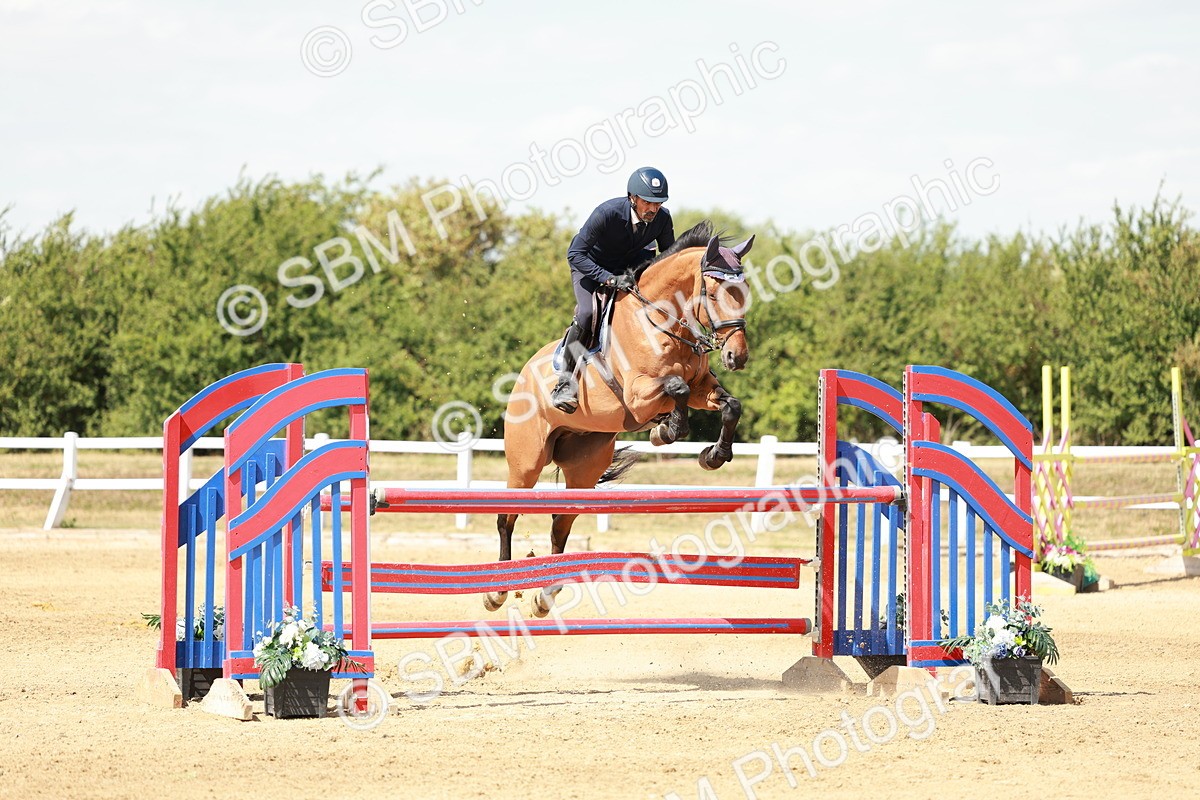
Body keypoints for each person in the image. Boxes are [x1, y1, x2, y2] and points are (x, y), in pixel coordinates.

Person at [550, 166, 676, 413]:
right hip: (591, 268)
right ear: (633, 197)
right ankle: (565, 382)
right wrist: (607, 279)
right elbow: (575, 254)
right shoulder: (607, 213)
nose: (653, 209)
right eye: (648, 202)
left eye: (658, 203)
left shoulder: (663, 218)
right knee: (587, 313)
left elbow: (669, 257)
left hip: (628, 269)